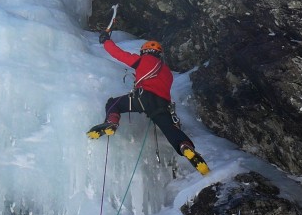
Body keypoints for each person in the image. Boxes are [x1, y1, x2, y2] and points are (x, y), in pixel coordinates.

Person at [87, 32, 210, 175]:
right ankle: (186, 147)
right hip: (162, 105)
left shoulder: (143, 61)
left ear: (145, 51)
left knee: (114, 104)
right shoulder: (167, 72)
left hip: (143, 98)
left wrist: (106, 41)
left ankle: (111, 123)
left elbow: (118, 54)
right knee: (171, 131)